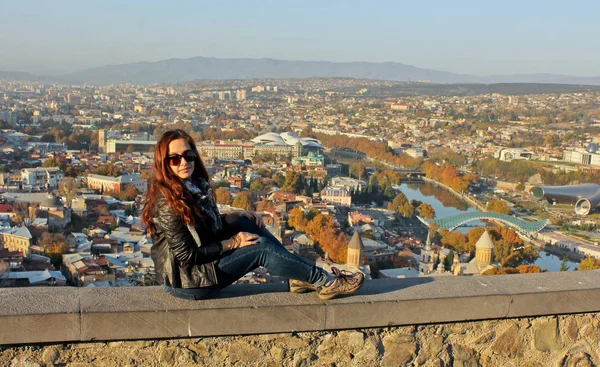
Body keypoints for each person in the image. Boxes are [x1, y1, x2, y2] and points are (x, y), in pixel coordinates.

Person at [141, 129, 364, 301]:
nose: (183, 163)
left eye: (188, 156)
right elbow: (187, 256)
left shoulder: (191, 185)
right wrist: (234, 242)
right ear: (164, 162)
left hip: (197, 269)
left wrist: (237, 214)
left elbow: (208, 227)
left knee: (245, 221)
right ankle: (324, 281)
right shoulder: (167, 202)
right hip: (188, 281)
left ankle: (299, 275)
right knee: (262, 248)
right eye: (174, 159)